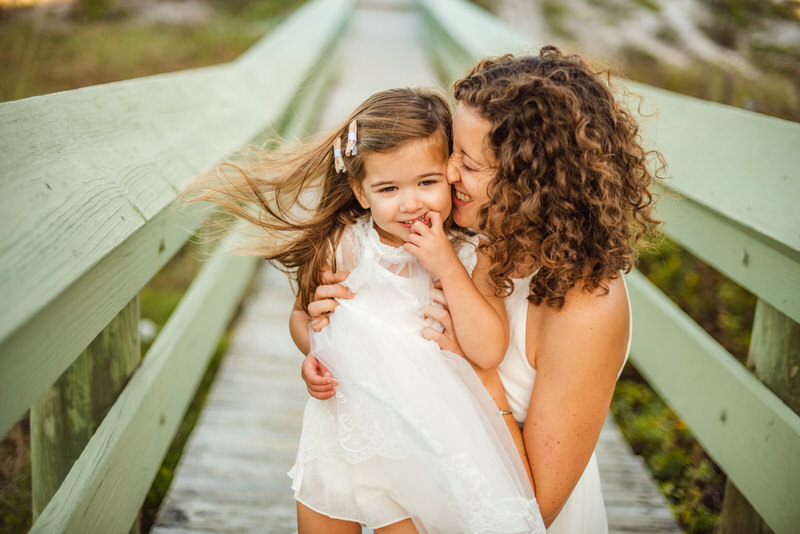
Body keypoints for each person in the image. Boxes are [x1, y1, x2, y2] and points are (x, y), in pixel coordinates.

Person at [301, 47, 664, 533]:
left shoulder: (587, 307)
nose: (447, 175)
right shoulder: (472, 240)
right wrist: (327, 328)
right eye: (453, 152)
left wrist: (477, 375)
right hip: (427, 485)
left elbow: (536, 507)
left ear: (529, 181)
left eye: (468, 164)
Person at [187, 87, 545, 534]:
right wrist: (312, 357)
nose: (411, 202)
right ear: (360, 191)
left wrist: (448, 267)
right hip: (342, 426)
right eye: (388, 188)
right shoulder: (347, 245)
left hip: (420, 435)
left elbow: (488, 350)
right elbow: (306, 318)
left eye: (427, 182)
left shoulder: (474, 253)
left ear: (451, 174)